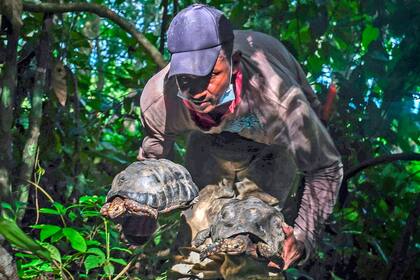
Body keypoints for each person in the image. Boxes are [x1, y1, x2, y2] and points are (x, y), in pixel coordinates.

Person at [137, 3, 343, 273]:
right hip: (208, 142)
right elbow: (153, 162)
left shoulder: (280, 103)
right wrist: (137, 224)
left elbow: (325, 167)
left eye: (209, 75)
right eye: (186, 79)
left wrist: (303, 237)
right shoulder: (160, 99)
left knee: (253, 251)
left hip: (272, 148)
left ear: (232, 61)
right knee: (194, 254)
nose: (198, 92)